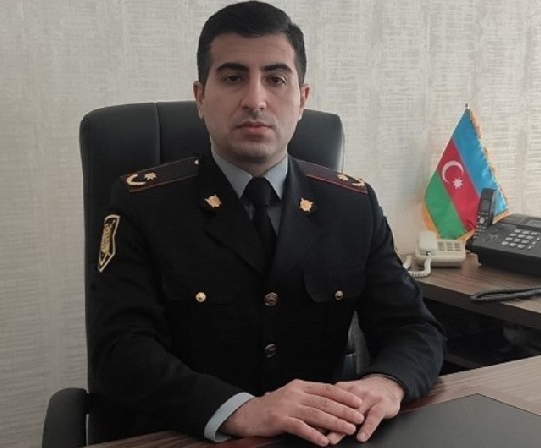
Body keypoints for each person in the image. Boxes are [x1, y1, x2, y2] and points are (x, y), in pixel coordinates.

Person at [88, 1, 445, 446]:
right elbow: (120, 351)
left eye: (276, 79)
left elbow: (414, 328)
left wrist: (387, 382)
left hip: (317, 439)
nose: (255, 100)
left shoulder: (352, 206)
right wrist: (239, 409)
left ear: (302, 99)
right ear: (200, 97)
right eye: (233, 78)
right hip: (191, 436)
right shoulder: (144, 205)